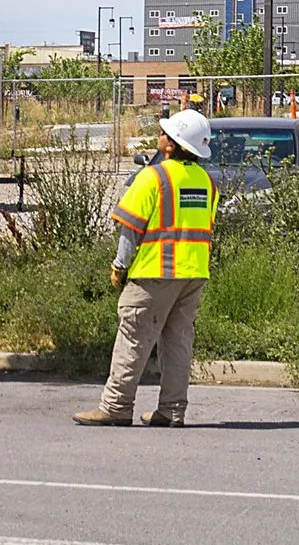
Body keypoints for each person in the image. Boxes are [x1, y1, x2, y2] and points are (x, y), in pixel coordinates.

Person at [75, 108, 218, 427]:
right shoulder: (207, 181)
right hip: (194, 273)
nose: (160, 135)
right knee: (178, 342)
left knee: (133, 336)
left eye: (165, 133)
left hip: (155, 274)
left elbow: (131, 229)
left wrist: (119, 266)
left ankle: (115, 406)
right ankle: (172, 410)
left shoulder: (153, 177)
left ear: (171, 145)